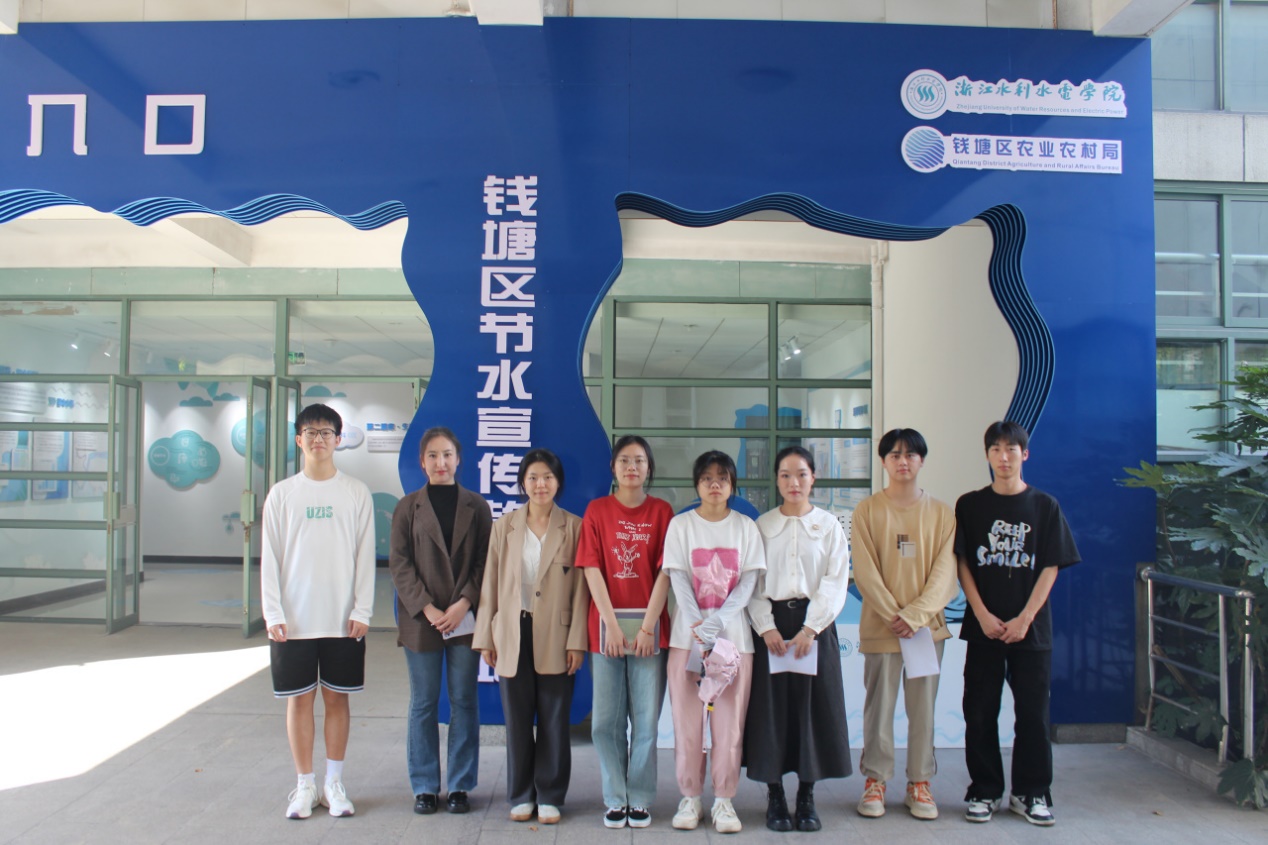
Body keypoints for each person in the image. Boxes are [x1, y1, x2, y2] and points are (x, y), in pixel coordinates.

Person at [955, 421, 1080, 826]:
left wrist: (1025, 618)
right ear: (987, 455)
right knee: (979, 711)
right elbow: (962, 562)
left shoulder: (1044, 506)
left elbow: (1050, 565)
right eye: (996, 449)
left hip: (1031, 631)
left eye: (1011, 449)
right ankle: (985, 790)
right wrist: (981, 613)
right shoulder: (970, 505)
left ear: (1025, 454)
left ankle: (1031, 792)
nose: (1003, 457)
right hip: (985, 629)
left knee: (1032, 715)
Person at [261, 403, 375, 820]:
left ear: (338, 440)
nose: (319, 439)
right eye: (310, 432)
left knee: (337, 700)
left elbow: (365, 555)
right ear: (299, 439)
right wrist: (273, 612)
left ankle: (334, 783)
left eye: (326, 432)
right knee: (298, 702)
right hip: (294, 621)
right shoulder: (282, 494)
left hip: (343, 620)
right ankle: (305, 784)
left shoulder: (355, 492)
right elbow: (270, 557)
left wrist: (363, 608)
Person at [473, 448, 589, 824]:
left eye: (548, 477)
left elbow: (582, 590)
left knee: (554, 718)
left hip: (557, 632)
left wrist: (577, 641)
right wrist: (485, 636)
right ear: (523, 482)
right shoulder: (504, 526)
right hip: (512, 630)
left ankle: (550, 794)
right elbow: (490, 583)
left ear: (558, 482)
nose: (541, 484)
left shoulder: (574, 527)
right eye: (534, 477)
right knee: (518, 719)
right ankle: (522, 794)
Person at [850, 429, 958, 822]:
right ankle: (876, 780)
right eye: (894, 454)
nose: (902, 461)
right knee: (878, 709)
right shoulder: (867, 511)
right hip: (881, 628)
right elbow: (865, 572)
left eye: (911, 454)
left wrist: (914, 616)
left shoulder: (942, 513)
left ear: (922, 460)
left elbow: (946, 575)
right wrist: (894, 614)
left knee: (923, 709)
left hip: (926, 630)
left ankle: (920, 782)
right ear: (883, 461)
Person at [745, 445, 852, 832]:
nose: (794, 482)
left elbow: (836, 580)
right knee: (771, 711)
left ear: (813, 478)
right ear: (776, 480)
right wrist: (766, 626)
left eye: (802, 474)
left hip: (814, 628)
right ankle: (775, 796)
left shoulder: (829, 525)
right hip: (771, 628)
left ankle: (806, 796)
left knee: (812, 711)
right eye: (786, 475)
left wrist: (811, 629)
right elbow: (751, 581)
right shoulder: (762, 526)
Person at [389, 426, 493, 816]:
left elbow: (486, 561)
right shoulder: (407, 507)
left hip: (464, 618)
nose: (440, 462)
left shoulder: (476, 506)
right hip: (422, 620)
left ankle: (461, 784)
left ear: (458, 459)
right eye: (432, 455)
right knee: (423, 702)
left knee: (464, 700)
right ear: (422, 462)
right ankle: (425, 786)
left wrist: (464, 602)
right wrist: (428, 608)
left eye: (447, 454)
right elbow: (399, 564)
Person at [574, 435, 674, 829]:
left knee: (645, 722)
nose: (632, 467)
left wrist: (648, 627)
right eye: (624, 461)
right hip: (606, 633)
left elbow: (666, 571)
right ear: (613, 468)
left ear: (649, 468)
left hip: (650, 633)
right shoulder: (597, 511)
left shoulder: (662, 512)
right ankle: (615, 797)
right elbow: (591, 568)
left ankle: (640, 798)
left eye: (639, 461)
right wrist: (612, 626)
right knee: (605, 722)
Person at [664, 450, 765, 835]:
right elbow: (678, 579)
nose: (715, 485)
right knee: (688, 724)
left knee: (729, 725)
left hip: (734, 643)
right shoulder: (681, 526)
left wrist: (717, 623)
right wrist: (699, 626)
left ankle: (724, 800)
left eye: (722, 478)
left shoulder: (746, 527)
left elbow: (748, 583)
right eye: (707, 478)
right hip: (686, 642)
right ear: (697, 484)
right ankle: (690, 797)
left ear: (732, 485)